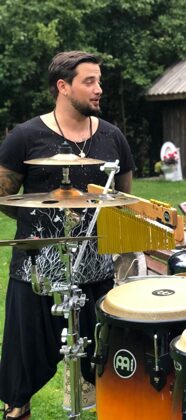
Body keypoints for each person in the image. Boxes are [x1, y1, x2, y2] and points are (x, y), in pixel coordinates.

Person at [0, 51, 135, 418]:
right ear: (63, 86)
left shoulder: (112, 136)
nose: (98, 89)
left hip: (97, 271)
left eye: (99, 81)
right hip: (36, 272)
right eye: (89, 81)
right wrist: (47, 221)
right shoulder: (25, 136)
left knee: (106, 367)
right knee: (20, 378)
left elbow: (122, 198)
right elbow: (5, 196)